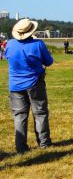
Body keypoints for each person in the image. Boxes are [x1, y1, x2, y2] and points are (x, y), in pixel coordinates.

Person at [6, 18, 54, 154]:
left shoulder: (9, 44)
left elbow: (8, 58)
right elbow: (49, 62)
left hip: (15, 84)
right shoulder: (38, 44)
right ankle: (44, 142)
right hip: (35, 82)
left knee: (19, 116)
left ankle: (20, 147)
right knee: (40, 113)